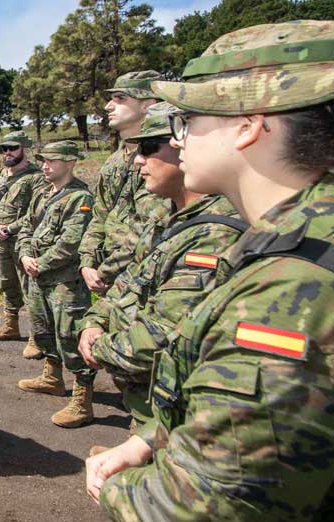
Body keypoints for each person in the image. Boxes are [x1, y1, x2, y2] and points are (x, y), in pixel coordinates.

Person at [87, 20, 334, 522]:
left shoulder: (301, 291)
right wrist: (153, 439)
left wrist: (115, 487)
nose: (178, 140)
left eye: (187, 120)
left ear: (248, 126)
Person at [76, 103, 245, 444]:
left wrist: (101, 347)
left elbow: (161, 337)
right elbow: (129, 283)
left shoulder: (216, 233)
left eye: (149, 148)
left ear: (184, 146)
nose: (139, 160)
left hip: (181, 421)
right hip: (151, 409)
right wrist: (93, 320)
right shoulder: (167, 219)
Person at [15, 141, 98, 428]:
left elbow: (72, 242)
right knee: (42, 329)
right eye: (44, 161)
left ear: (70, 162)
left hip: (64, 282)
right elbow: (25, 225)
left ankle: (82, 401)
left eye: (52, 161)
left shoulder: (80, 197)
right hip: (37, 277)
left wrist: (41, 263)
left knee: (70, 336)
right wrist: (25, 254)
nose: (46, 166)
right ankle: (52, 377)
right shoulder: (42, 193)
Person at [77, 71, 165, 294]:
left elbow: (150, 226)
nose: (108, 106)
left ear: (148, 105)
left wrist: (104, 270)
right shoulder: (113, 162)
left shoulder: (164, 158)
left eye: (120, 99)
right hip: (112, 277)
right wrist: (87, 262)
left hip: (144, 275)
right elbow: (100, 214)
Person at [0, 131, 47, 360]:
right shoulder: (0, 176)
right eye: (4, 148)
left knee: (30, 288)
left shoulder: (36, 177)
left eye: (13, 147)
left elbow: (36, 212)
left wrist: (9, 229)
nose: (8, 152)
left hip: (23, 241)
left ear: (24, 148)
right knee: (7, 282)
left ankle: (36, 338)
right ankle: (11, 326)